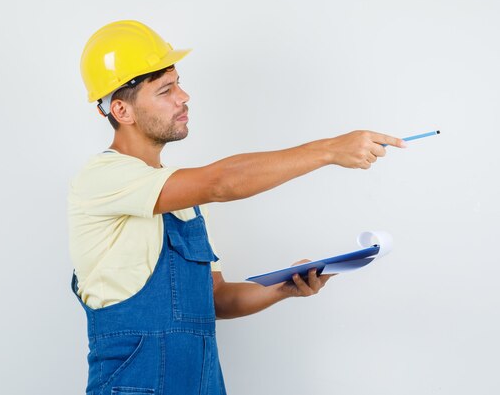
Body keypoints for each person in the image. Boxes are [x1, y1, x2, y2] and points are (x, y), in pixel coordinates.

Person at [69, 20, 406, 395]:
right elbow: (221, 182)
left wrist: (284, 288)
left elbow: (215, 299)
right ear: (122, 110)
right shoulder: (101, 178)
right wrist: (329, 150)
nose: (183, 97)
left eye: (179, 83)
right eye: (166, 90)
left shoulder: (184, 201)